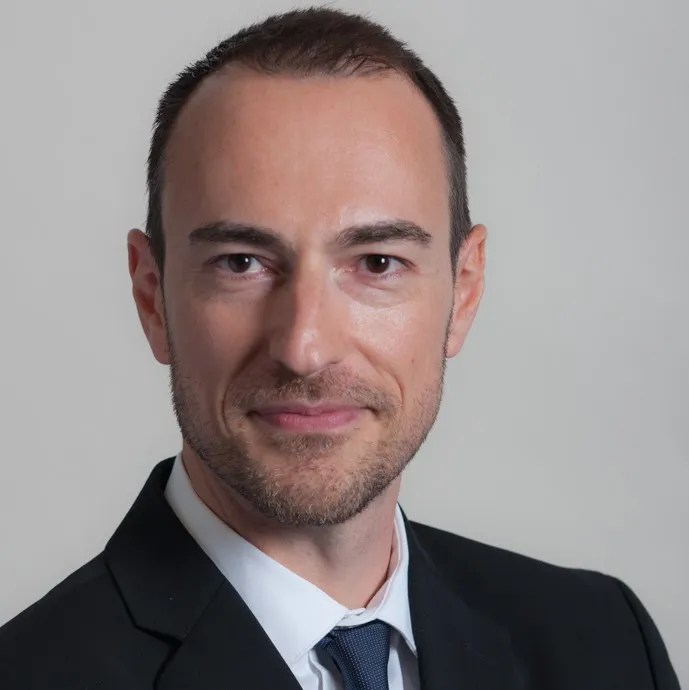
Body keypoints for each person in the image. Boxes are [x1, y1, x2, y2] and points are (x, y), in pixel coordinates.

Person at [0, 6, 680, 690]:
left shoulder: (605, 645)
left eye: (377, 263)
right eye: (241, 263)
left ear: (464, 291)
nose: (305, 348)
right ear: (152, 297)